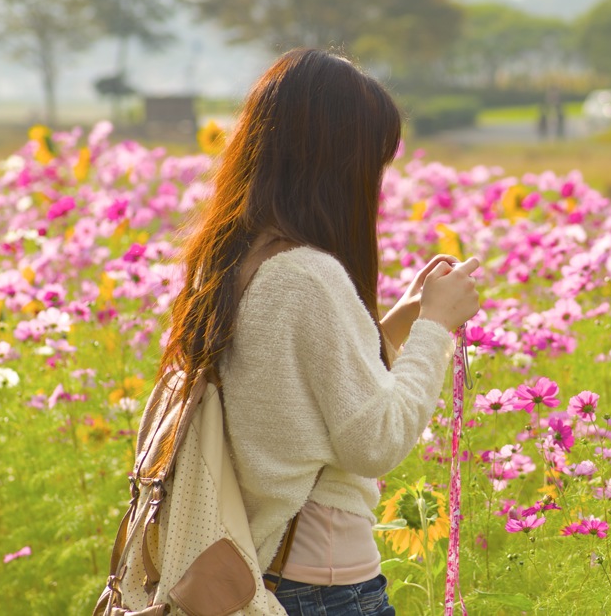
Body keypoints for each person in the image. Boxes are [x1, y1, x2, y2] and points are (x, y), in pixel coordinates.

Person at [159, 48, 481, 616]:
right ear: (335, 165)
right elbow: (375, 440)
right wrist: (436, 327)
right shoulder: (309, 276)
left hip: (268, 570)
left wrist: (397, 322)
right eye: (371, 163)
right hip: (326, 588)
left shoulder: (237, 259)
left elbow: (292, 397)